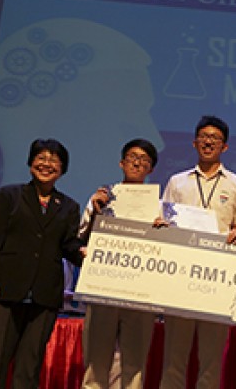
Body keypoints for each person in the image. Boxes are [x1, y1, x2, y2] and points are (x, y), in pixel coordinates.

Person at [0, 138, 83, 389]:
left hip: (44, 296)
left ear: (63, 169)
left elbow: (69, 246)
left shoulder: (68, 206)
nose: (46, 164)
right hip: (5, 290)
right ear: (30, 163)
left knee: (29, 369)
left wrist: (89, 253)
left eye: (54, 160)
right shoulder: (9, 195)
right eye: (41, 158)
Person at [158, 116, 236, 388]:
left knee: (210, 359)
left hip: (217, 279)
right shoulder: (177, 182)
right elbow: (163, 220)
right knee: (174, 356)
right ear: (195, 142)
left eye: (216, 138)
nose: (209, 142)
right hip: (181, 278)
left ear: (225, 147)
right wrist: (161, 224)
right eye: (204, 137)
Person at [81, 138, 160, 389]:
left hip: (141, 291)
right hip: (104, 287)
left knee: (134, 363)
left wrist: (164, 231)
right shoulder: (103, 197)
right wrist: (96, 211)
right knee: (96, 361)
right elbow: (81, 237)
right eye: (132, 157)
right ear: (121, 163)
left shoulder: (158, 205)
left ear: (151, 169)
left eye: (144, 160)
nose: (137, 162)